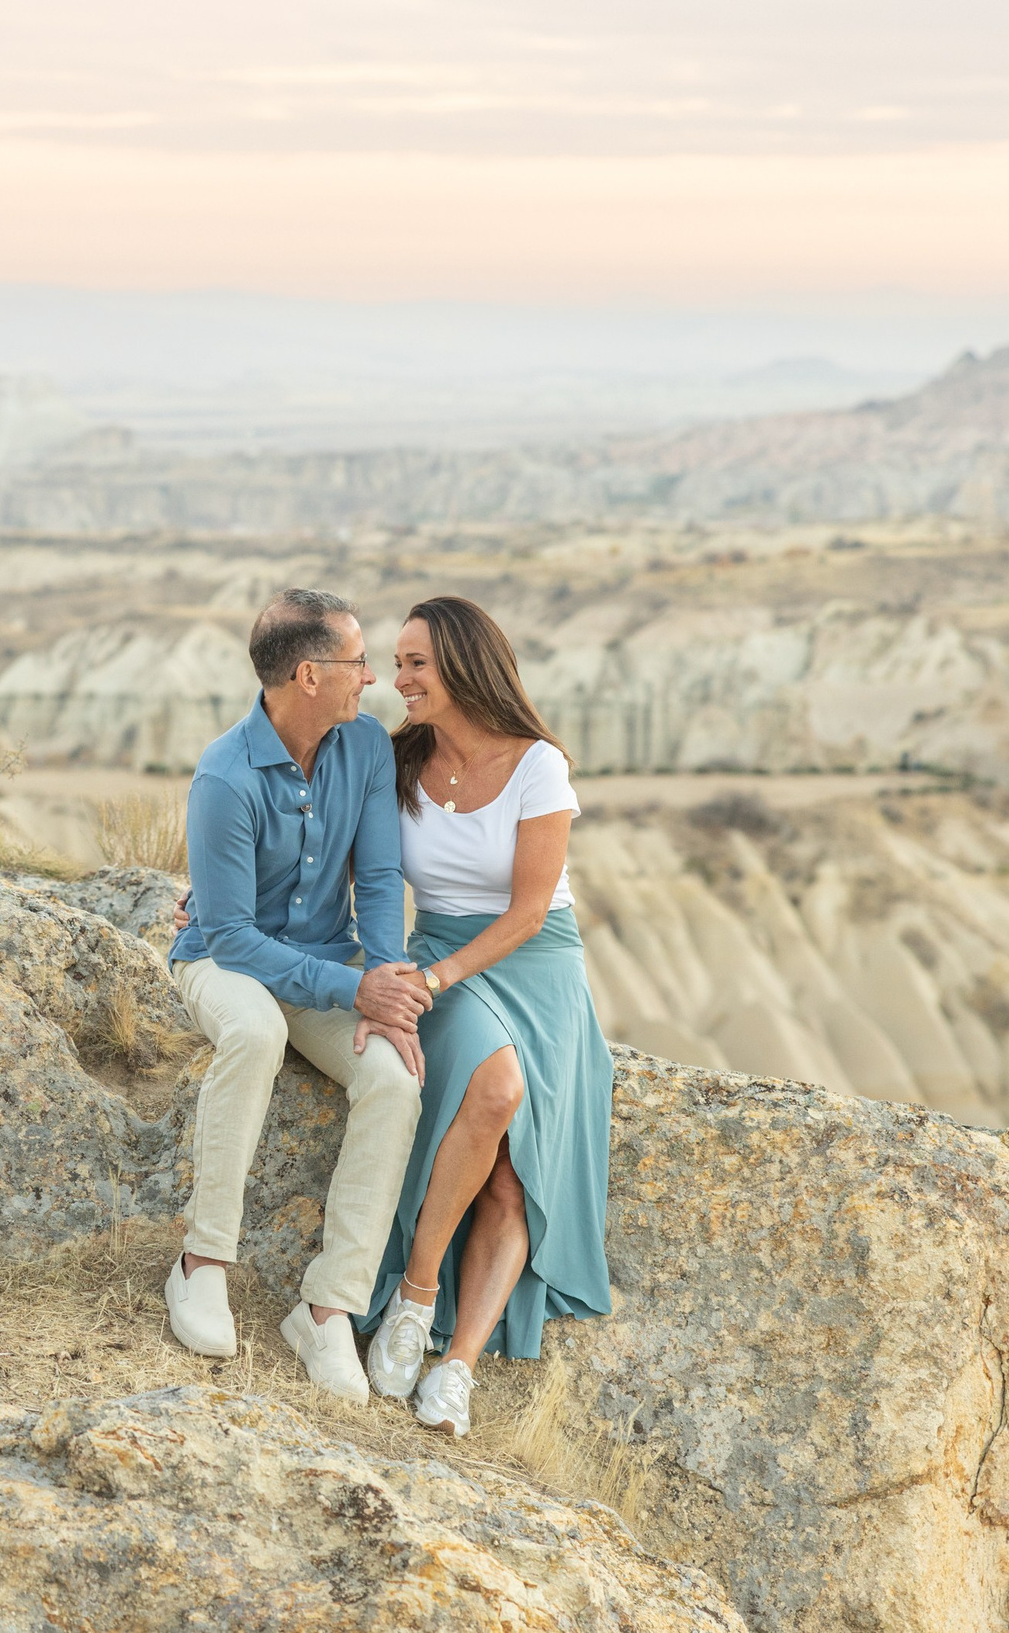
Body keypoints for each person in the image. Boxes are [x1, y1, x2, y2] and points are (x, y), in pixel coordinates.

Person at [165, 587, 434, 1404]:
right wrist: (353, 983)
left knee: (394, 1079)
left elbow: (381, 878)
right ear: (309, 674)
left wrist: (383, 983)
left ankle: (327, 1307)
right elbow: (234, 936)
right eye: (358, 662)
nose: (372, 679)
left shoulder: (367, 752)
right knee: (253, 1033)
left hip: (325, 964)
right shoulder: (225, 777)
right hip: (227, 963)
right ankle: (202, 1262)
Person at [357, 595, 615, 1438]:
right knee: (496, 1091)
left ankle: (458, 1364)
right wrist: (213, 901)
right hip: (445, 963)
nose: (399, 680)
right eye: (396, 663)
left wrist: (430, 979)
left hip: (531, 967)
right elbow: (322, 851)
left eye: (415, 664)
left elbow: (530, 912)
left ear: (464, 665)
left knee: (515, 1174)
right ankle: (415, 1297)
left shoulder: (537, 764)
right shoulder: (393, 762)